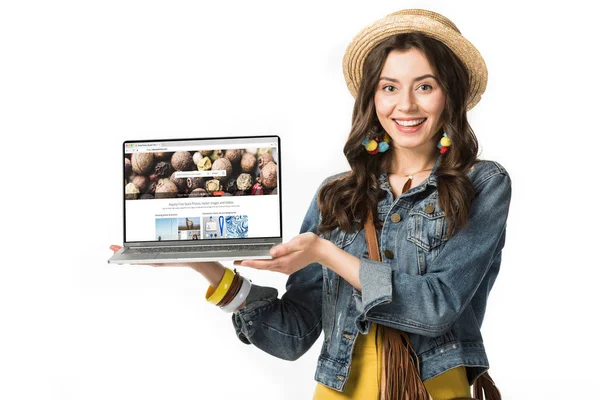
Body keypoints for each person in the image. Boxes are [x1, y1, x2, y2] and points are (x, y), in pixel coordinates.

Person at [111, 9, 510, 400]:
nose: (405, 105)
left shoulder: (481, 184)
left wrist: (326, 253)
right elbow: (294, 335)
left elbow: (435, 308)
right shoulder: (338, 194)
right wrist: (202, 262)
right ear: (372, 97)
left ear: (449, 94)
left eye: (425, 86)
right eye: (389, 87)